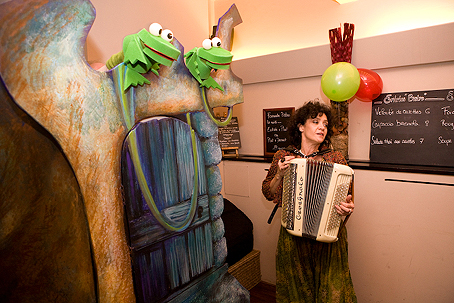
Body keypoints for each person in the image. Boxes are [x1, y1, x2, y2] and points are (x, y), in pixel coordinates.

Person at [262, 100, 357, 303]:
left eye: (324, 123)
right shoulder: (283, 156)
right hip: (292, 237)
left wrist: (346, 209)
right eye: (315, 121)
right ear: (301, 126)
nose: (322, 127)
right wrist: (279, 174)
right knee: (296, 291)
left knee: (331, 292)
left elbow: (348, 201)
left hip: (327, 239)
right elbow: (268, 193)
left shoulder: (336, 159)